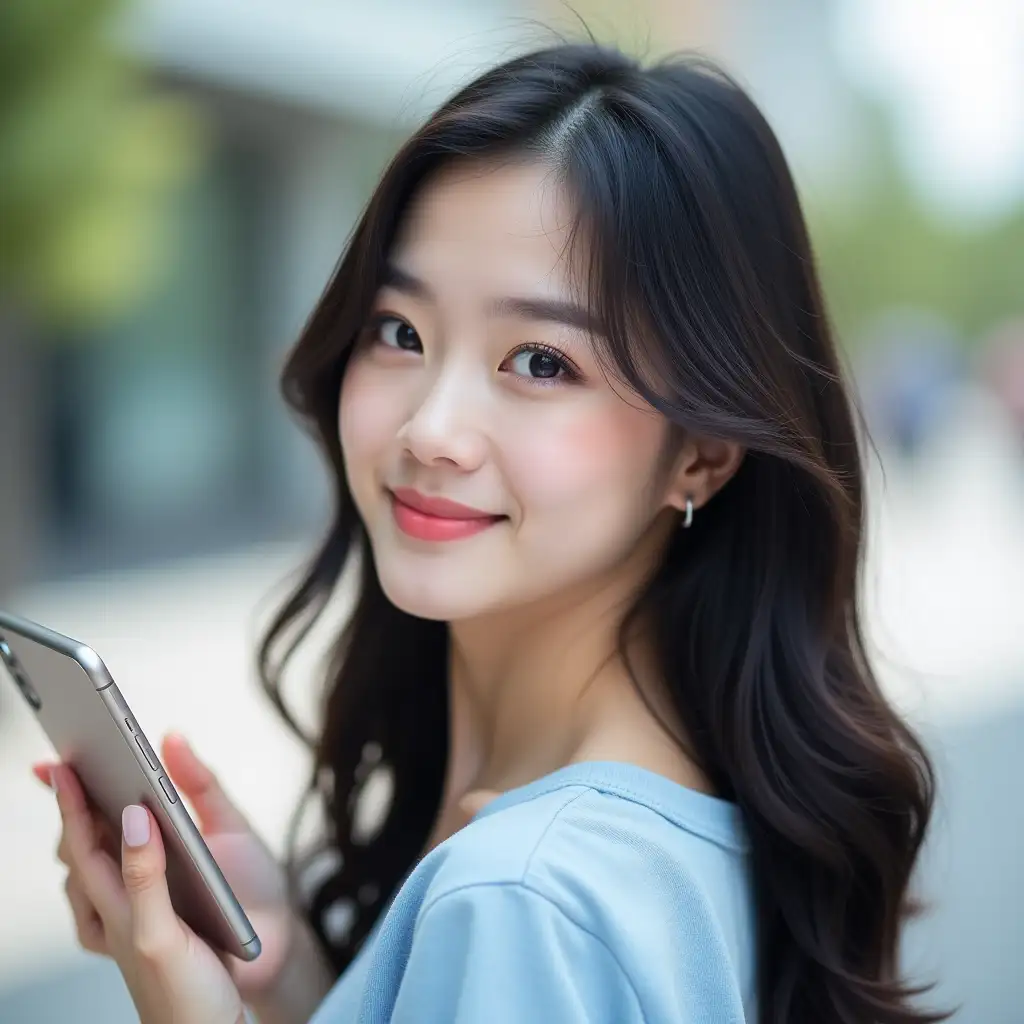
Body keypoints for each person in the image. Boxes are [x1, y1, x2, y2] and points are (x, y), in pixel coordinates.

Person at [35, 39, 945, 1024]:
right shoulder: (661, 834)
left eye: (542, 362)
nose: (431, 426)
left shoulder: (523, 900)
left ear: (701, 454)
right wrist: (298, 983)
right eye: (401, 331)